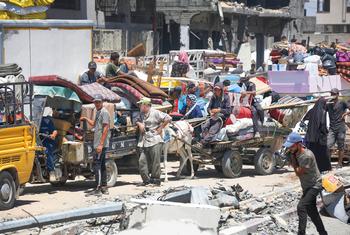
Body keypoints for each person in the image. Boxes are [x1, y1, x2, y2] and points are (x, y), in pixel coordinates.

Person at [283, 132, 328, 235]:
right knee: (312, 212)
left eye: (292, 146)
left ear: (299, 144)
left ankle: (301, 233)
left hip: (315, 185)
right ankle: (323, 233)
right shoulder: (295, 153)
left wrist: (293, 161)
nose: (290, 148)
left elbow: (298, 173)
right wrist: (291, 157)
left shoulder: (306, 156)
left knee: (301, 207)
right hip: (307, 186)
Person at [135, 97, 172, 186]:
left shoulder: (155, 112)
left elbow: (168, 118)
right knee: (142, 161)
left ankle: (156, 180)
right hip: (144, 140)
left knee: (155, 161)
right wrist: (139, 124)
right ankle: (146, 180)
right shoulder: (141, 114)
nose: (140, 106)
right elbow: (136, 120)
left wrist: (161, 127)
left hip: (155, 139)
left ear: (145, 105)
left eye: (141, 104)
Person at [80, 94, 111, 195]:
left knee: (97, 165)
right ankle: (104, 187)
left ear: (102, 102)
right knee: (101, 165)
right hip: (98, 143)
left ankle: (98, 188)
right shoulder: (98, 112)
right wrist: (85, 118)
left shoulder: (104, 112)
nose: (97, 104)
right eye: (95, 102)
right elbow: (94, 124)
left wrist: (101, 144)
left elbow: (106, 128)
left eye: (98, 102)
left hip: (100, 144)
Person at [303, 97, 331, 172]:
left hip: (311, 137)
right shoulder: (324, 112)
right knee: (322, 154)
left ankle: (311, 169)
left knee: (312, 154)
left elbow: (304, 120)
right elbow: (325, 126)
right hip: (320, 138)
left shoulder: (311, 111)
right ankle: (322, 169)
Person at [326, 88, 350, 167]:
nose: (333, 95)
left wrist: (345, 114)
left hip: (340, 128)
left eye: (334, 94)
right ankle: (327, 164)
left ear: (338, 94)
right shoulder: (329, 103)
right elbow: (321, 110)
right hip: (332, 128)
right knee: (328, 145)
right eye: (332, 93)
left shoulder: (342, 102)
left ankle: (339, 163)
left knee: (341, 146)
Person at [40, 116, 58, 182]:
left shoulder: (46, 121)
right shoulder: (34, 120)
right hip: (38, 142)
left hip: (48, 141)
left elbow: (55, 131)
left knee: (47, 151)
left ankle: (51, 172)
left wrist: (53, 135)